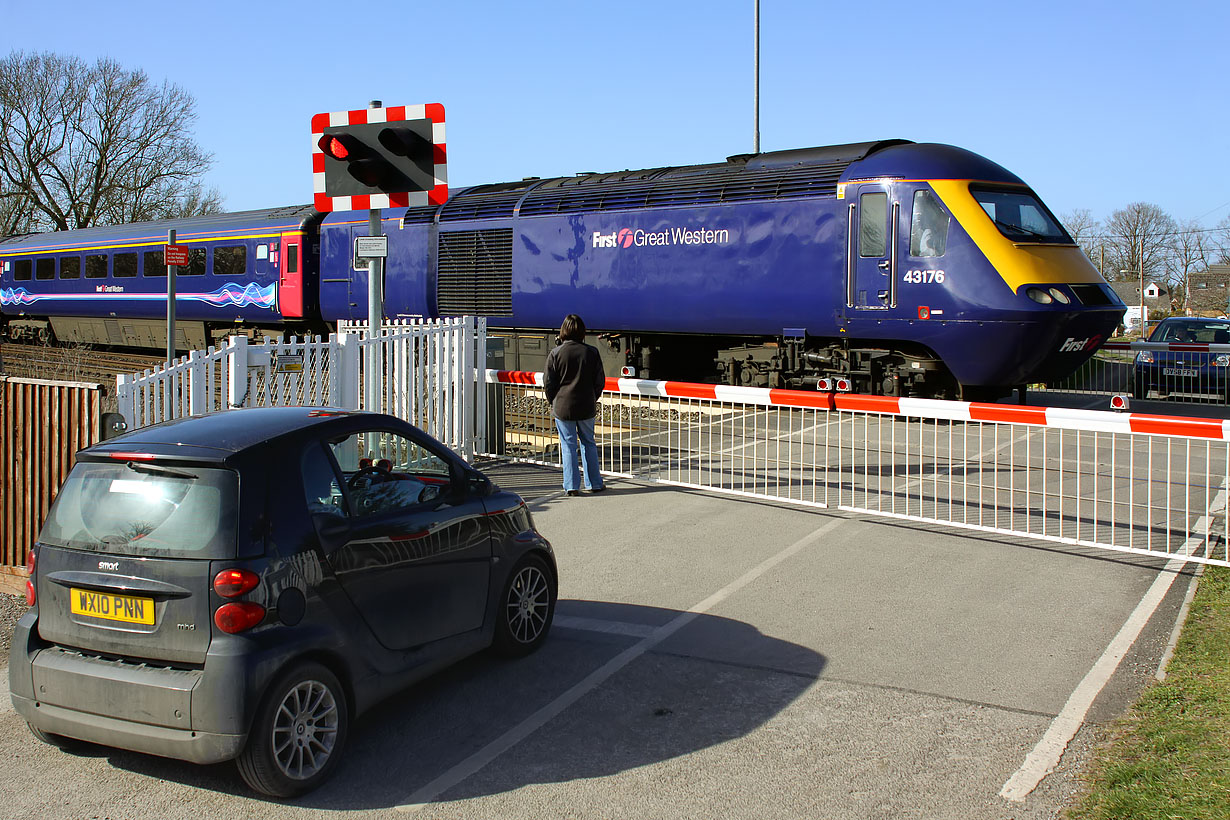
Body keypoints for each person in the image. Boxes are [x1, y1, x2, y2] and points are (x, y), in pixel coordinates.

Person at [544, 314, 606, 496]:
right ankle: (594, 483)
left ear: (563, 331)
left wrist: (554, 400)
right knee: (589, 443)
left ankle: (571, 486)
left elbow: (548, 383)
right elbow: (599, 381)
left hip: (563, 407)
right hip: (586, 405)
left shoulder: (556, 353)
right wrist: (592, 397)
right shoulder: (592, 352)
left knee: (568, 445)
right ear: (582, 331)